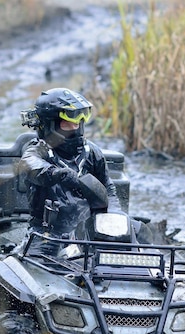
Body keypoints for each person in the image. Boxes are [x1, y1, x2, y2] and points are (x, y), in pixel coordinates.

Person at [17, 87, 120, 256]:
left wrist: (114, 219)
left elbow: (109, 190)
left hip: (88, 230)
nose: (75, 126)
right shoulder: (37, 151)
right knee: (34, 268)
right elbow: (30, 165)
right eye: (67, 122)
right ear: (50, 123)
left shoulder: (92, 153)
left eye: (79, 121)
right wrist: (57, 174)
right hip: (47, 235)